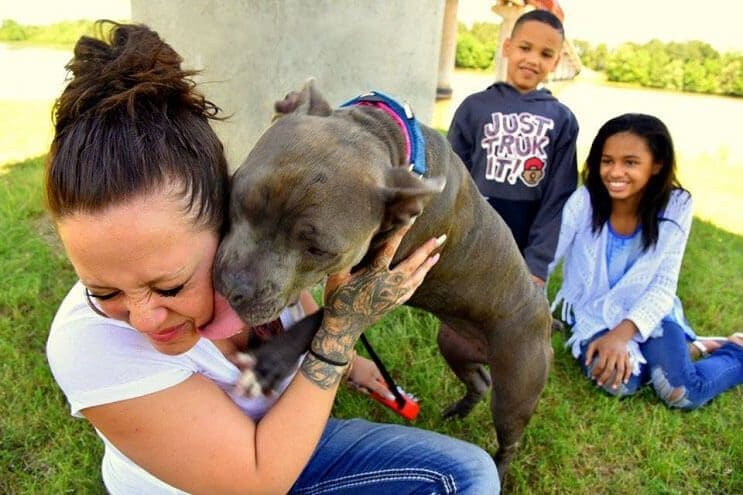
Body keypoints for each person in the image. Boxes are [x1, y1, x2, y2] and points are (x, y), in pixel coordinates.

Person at [45, 21, 500, 494]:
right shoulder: (87, 341)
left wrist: (350, 368)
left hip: (293, 441)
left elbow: (294, 308)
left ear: (225, 208)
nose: (142, 318)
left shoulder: (261, 240)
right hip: (247, 475)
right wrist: (339, 337)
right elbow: (257, 482)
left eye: (169, 286)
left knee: (467, 478)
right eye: (102, 291)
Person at [548, 113, 743, 409]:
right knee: (619, 383)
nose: (614, 172)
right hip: (595, 312)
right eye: (606, 160)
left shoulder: (676, 205)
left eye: (630, 162)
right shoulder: (584, 202)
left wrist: (620, 336)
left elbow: (663, 286)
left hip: (652, 314)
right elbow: (547, 258)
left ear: (657, 164)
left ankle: (733, 353)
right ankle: (689, 348)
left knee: (681, 394)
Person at [447, 9, 579, 287]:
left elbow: (558, 198)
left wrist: (538, 263)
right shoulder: (474, 107)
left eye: (545, 54)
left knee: (515, 323)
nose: (532, 60)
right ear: (508, 47)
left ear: (555, 62)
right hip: (473, 239)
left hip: (525, 245)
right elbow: (453, 179)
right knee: (461, 324)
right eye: (525, 48)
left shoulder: (562, 119)